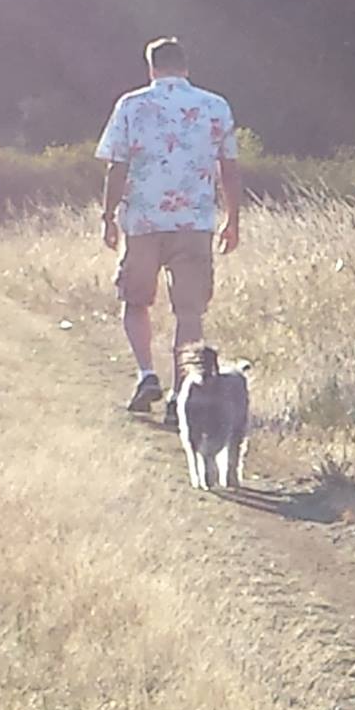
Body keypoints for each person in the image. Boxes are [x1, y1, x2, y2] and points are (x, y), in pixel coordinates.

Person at [96, 36, 242, 423]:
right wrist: (233, 219)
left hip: (143, 221)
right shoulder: (215, 106)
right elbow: (229, 168)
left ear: (152, 67)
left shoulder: (131, 105)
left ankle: (147, 373)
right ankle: (180, 394)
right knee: (189, 312)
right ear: (186, 66)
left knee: (135, 301)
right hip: (194, 222)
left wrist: (108, 216)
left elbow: (117, 166)